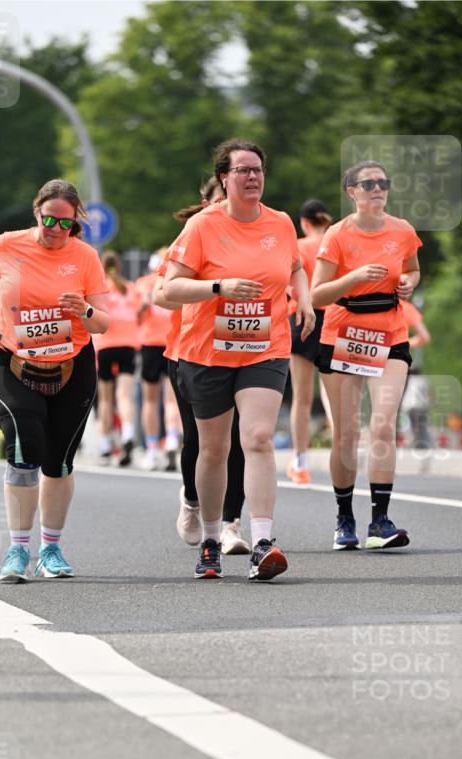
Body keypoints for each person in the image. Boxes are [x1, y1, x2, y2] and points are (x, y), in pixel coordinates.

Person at [165, 139, 314, 580]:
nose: (252, 177)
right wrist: (218, 288)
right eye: (243, 170)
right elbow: (166, 291)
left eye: (258, 170)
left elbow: (295, 267)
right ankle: (211, 541)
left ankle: (263, 541)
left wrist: (302, 299)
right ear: (224, 179)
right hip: (206, 351)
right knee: (213, 448)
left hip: (265, 347)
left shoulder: (281, 223)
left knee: (260, 437)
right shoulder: (202, 227)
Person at [0, 178, 109, 582]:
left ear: (75, 222)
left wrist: (83, 309)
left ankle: (50, 547)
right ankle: (17, 550)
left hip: (72, 366)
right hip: (12, 361)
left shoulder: (85, 257)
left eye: (66, 223)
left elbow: (103, 322)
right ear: (37, 212)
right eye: (49, 220)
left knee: (59, 462)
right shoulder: (7, 245)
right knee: (24, 445)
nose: (56, 229)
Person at [310, 159, 421, 550]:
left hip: (389, 332)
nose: (378, 189)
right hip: (343, 334)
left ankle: (381, 522)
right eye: (368, 183)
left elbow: (413, 269)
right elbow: (317, 294)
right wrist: (354, 278)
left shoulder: (403, 230)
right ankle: (344, 520)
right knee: (346, 434)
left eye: (383, 183)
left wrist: (407, 282)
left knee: (383, 425)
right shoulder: (337, 235)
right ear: (352, 193)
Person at [154, 177, 250, 556]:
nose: (228, 206)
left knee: (240, 440)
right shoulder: (191, 238)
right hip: (189, 353)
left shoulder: (257, 236)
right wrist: (211, 289)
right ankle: (192, 499)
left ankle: (230, 524)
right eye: (220, 199)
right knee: (200, 441)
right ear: (206, 202)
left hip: (245, 350)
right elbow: (161, 296)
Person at [286, 198, 333, 485]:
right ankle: (342, 454)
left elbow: (286, 284)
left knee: (301, 399)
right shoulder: (335, 244)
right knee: (333, 395)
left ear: (304, 222)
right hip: (333, 318)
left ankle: (301, 463)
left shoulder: (299, 247)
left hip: (301, 317)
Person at [135, 249, 182, 471]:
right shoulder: (179, 281)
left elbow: (132, 316)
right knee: (172, 398)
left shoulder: (144, 283)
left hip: (150, 343)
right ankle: (172, 438)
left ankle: (152, 448)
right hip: (173, 342)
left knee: (150, 400)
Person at [94, 251, 140, 467]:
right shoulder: (130, 288)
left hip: (105, 345)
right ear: (119, 266)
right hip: (128, 345)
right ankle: (128, 433)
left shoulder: (100, 288)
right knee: (125, 395)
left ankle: (104, 445)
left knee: (105, 399)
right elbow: (139, 315)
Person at [400, 298, 433, 450]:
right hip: (399, 362)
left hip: (372, 360)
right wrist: (402, 342)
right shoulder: (407, 308)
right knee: (394, 405)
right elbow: (424, 337)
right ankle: (390, 441)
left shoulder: (371, 299)